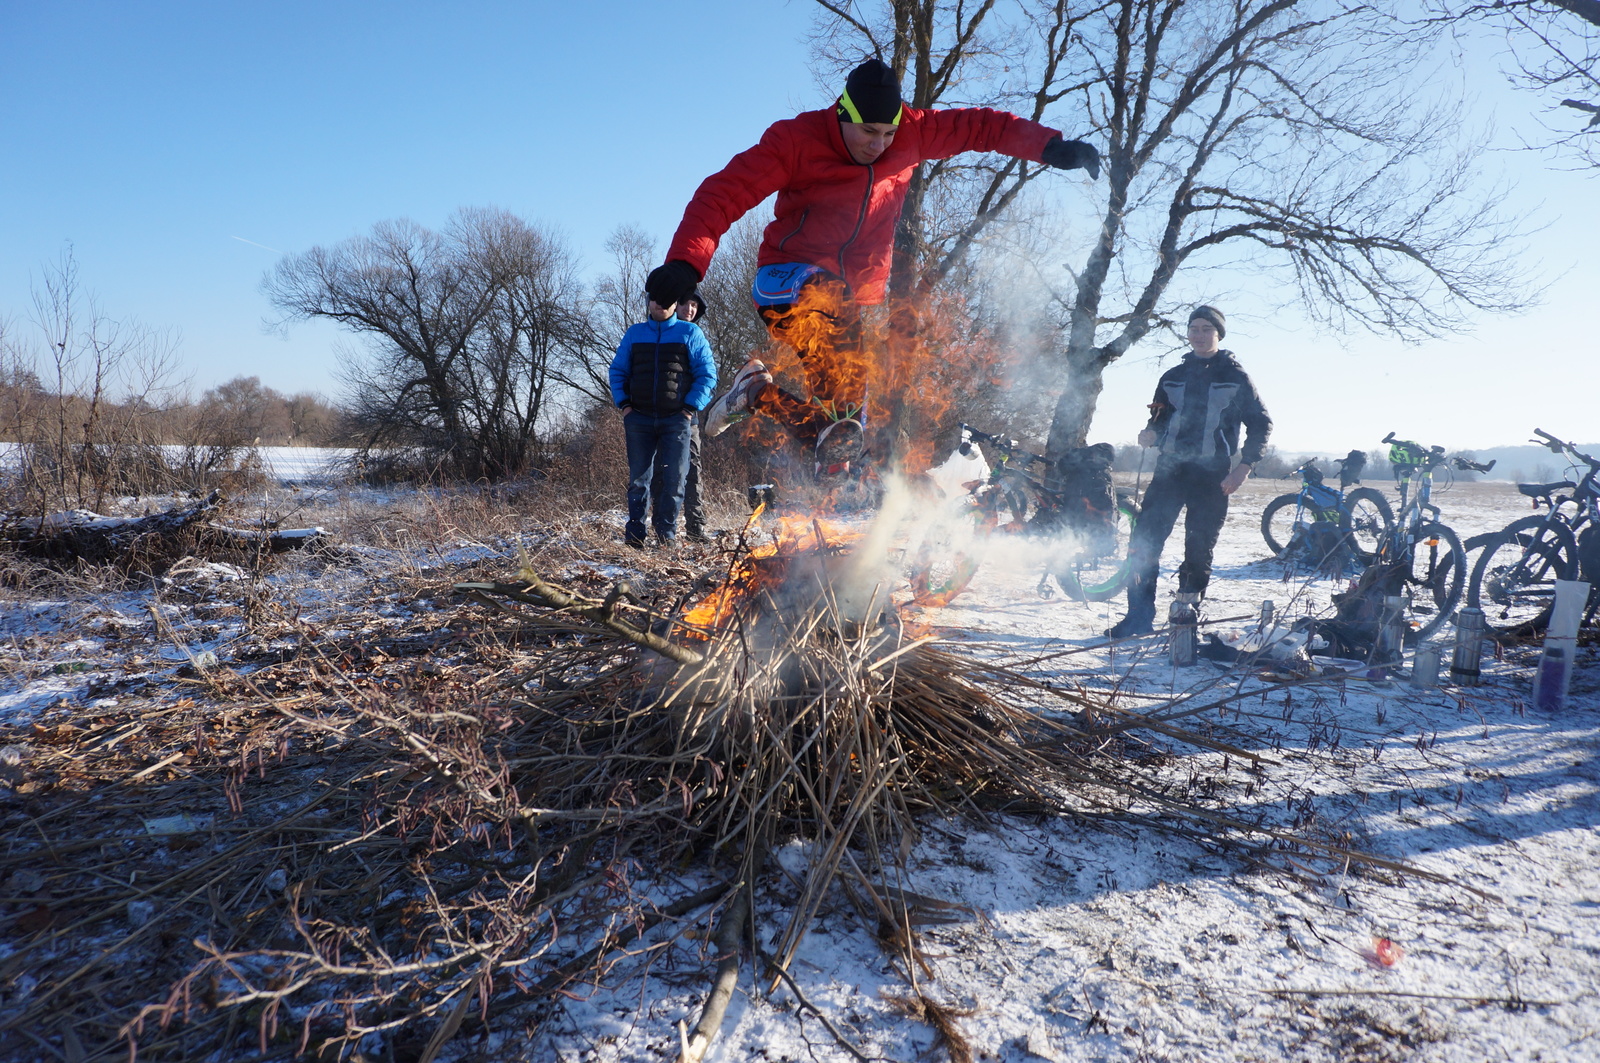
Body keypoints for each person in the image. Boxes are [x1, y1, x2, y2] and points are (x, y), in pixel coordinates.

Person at [643, 58, 1100, 476]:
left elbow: (979, 127)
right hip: (786, 282)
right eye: (867, 132)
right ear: (842, 113)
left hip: (848, 309)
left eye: (889, 133)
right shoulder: (796, 141)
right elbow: (724, 193)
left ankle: (758, 395)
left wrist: (1048, 147)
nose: (879, 145)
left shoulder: (916, 132)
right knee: (833, 296)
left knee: (841, 431)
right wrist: (686, 262)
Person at [1106, 306, 1272, 638]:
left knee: (1198, 550)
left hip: (1213, 477)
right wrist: (1150, 434)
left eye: (1206, 329)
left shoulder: (1235, 377)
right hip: (1169, 471)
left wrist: (1244, 467)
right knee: (1143, 543)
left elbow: (1261, 424)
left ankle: (1185, 618)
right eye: (1193, 328)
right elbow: (1159, 420)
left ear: (1218, 334)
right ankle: (1138, 616)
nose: (1198, 334)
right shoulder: (1172, 377)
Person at [609, 294, 717, 547]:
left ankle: (666, 538)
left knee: (675, 480)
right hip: (639, 419)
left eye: (666, 298)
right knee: (639, 480)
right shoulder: (635, 333)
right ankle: (634, 538)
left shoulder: (690, 333)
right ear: (649, 302)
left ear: (673, 304)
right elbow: (618, 370)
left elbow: (707, 373)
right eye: (657, 298)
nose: (661, 303)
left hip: (677, 421)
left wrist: (690, 408)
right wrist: (624, 404)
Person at [650, 290, 711, 541]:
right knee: (660, 474)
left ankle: (696, 529)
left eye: (695, 305)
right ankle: (663, 531)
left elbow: (706, 376)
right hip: (653, 419)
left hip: (687, 419)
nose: (690, 309)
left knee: (693, 471)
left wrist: (689, 408)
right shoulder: (655, 334)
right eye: (685, 303)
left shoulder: (695, 337)